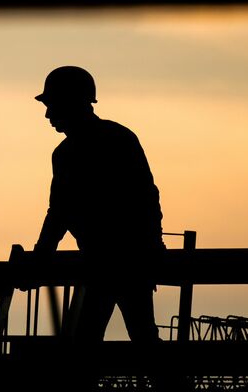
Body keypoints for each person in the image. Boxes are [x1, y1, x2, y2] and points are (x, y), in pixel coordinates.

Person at [33, 66, 165, 345]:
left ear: (71, 103)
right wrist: (153, 246)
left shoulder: (81, 150)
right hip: (121, 261)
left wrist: (41, 255)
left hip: (115, 262)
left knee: (91, 340)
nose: (48, 115)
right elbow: (60, 212)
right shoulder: (112, 140)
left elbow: (59, 213)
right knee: (138, 337)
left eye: (52, 106)